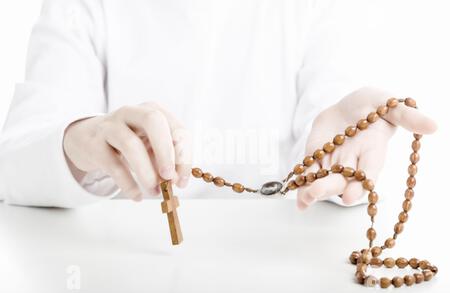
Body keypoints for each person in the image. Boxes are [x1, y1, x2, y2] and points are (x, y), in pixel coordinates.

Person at [0, 0, 437, 209]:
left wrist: (347, 148)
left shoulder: (314, 10)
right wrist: (77, 140)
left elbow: (331, 123)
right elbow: (14, 162)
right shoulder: (79, 9)